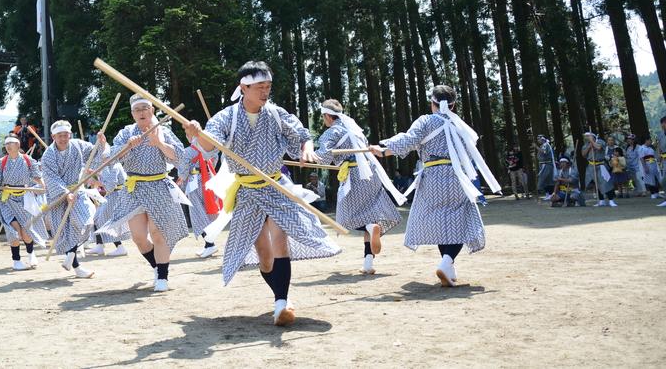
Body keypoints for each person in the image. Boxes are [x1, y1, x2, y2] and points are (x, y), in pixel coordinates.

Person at [183, 61, 340, 326]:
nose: (265, 92)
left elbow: (302, 134)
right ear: (244, 88)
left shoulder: (276, 113)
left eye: (268, 87)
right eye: (260, 87)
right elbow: (209, 146)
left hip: (276, 186)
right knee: (264, 256)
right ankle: (279, 297)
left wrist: (307, 147)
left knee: (280, 241)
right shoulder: (226, 117)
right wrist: (196, 136)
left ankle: (282, 303)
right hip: (247, 191)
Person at [369, 84, 501, 287]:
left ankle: (448, 266)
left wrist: (383, 149)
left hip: (431, 177)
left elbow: (409, 140)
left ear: (433, 103)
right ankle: (447, 263)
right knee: (460, 221)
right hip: (456, 177)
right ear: (453, 105)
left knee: (441, 222)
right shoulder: (460, 125)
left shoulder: (425, 121)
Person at [97, 94, 190, 292]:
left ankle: (163, 277)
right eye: (137, 109)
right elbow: (112, 159)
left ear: (152, 111)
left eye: (145, 108)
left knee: (158, 232)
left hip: (158, 185)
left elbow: (180, 158)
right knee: (139, 237)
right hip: (134, 187)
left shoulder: (163, 131)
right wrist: (128, 146)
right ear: (132, 114)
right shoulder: (125, 133)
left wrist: (159, 143)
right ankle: (157, 266)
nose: (141, 112)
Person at [317, 99, 404, 275]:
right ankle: (368, 263)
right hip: (371, 175)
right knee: (369, 215)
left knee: (346, 218)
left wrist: (309, 157)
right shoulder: (355, 130)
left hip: (354, 176)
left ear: (327, 116)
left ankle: (370, 228)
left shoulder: (332, 132)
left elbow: (324, 156)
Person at [41, 120, 99, 279]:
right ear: (53, 136)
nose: (63, 138)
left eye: (66, 135)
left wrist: (101, 143)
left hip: (77, 190)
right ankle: (77, 266)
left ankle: (71, 256)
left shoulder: (78, 145)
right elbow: (51, 178)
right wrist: (65, 193)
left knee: (84, 221)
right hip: (57, 195)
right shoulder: (48, 156)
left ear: (70, 135)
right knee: (65, 231)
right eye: (59, 135)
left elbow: (95, 152)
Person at [0, 135, 47, 271]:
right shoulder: (1, 162)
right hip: (7, 199)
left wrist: (41, 185)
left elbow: (37, 177)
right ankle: (16, 261)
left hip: (24, 198)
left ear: (18, 146)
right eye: (6, 144)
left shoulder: (28, 160)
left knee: (26, 231)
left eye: (11, 143)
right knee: (13, 230)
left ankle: (31, 254)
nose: (8, 146)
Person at [86, 154, 130, 258]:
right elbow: (105, 181)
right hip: (110, 195)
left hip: (115, 195)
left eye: (103, 158)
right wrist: (94, 173)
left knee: (105, 221)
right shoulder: (108, 166)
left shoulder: (113, 166)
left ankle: (120, 247)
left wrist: (96, 182)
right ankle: (99, 245)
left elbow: (110, 186)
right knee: (96, 219)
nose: (101, 160)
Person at [582, 132, 614, 206]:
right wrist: (589, 146)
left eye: (587, 136)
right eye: (585, 137)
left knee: (606, 182)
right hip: (591, 165)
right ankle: (601, 200)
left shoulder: (600, 141)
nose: (586, 138)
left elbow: (599, 147)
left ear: (592, 136)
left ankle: (611, 200)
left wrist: (592, 142)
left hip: (600, 165)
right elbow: (583, 154)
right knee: (596, 184)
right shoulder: (586, 144)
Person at [536, 135, 556, 200]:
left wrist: (536, 147)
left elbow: (544, 152)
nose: (538, 140)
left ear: (542, 139)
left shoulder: (546, 145)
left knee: (546, 179)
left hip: (547, 164)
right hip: (543, 164)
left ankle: (550, 193)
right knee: (546, 180)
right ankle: (547, 194)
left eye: (538, 139)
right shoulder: (542, 145)